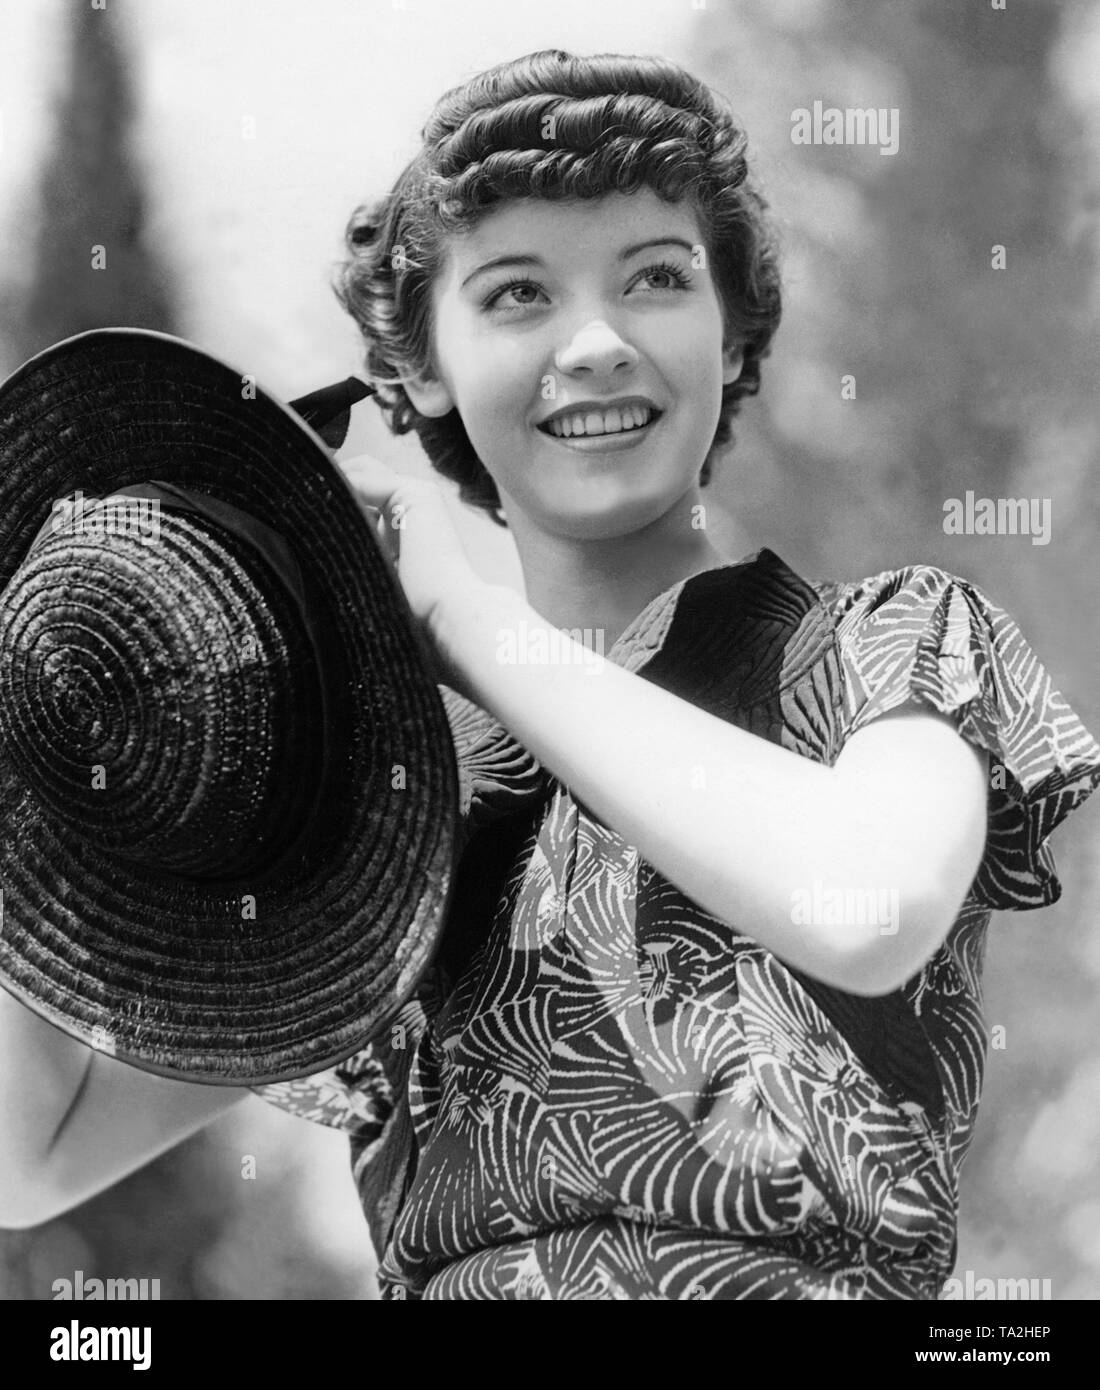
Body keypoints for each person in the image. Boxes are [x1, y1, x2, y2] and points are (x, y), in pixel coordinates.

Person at [3, 48, 1099, 1300]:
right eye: (517, 295)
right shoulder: (387, 806)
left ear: (731, 333)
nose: (592, 344)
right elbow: (31, 1153)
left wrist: (451, 620)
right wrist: (66, 743)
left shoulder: (885, 646)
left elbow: (861, 904)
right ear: (419, 369)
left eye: (654, 278)